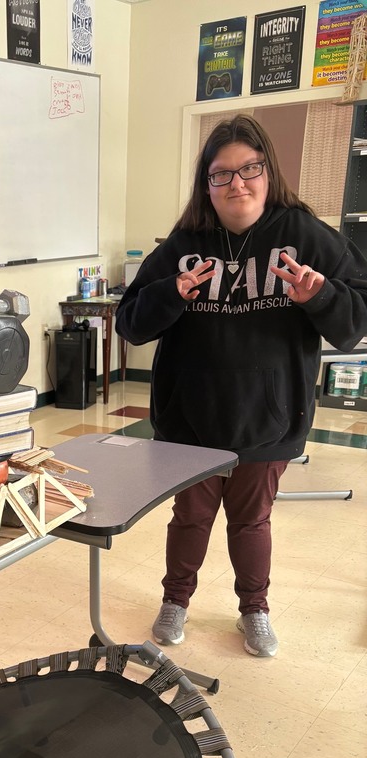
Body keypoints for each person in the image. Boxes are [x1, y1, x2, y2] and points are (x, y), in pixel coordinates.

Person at [115, 114, 367, 659]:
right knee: (190, 518)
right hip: (190, 420)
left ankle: (255, 610)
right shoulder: (184, 242)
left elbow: (355, 321)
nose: (238, 184)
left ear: (268, 172)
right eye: (221, 174)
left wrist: (318, 297)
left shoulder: (302, 234)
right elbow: (131, 322)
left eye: (249, 170)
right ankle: (175, 601)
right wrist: (172, 294)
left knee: (251, 523)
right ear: (206, 184)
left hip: (268, 419)